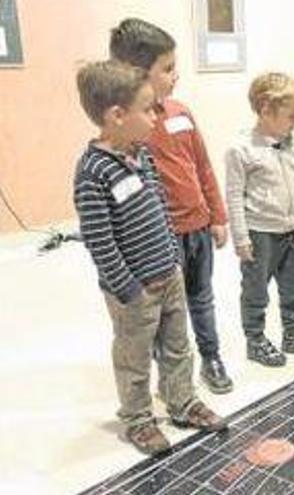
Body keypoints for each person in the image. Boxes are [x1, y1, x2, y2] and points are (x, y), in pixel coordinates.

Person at [73, 60, 226, 455]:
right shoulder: (92, 172)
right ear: (117, 116)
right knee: (134, 357)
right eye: (148, 109)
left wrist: (173, 256)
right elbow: (99, 240)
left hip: (168, 273)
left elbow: (160, 204)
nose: (156, 115)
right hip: (134, 290)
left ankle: (181, 401)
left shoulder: (142, 154)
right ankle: (139, 419)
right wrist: (128, 287)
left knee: (178, 345)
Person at [109, 18, 232, 393]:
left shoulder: (181, 112)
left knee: (202, 296)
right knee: (166, 311)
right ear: (136, 73)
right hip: (160, 239)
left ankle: (211, 356)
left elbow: (203, 165)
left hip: (198, 227)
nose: (175, 76)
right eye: (167, 69)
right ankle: (172, 376)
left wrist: (217, 214)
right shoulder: (127, 128)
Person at [225, 73, 294, 368]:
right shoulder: (241, 148)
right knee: (256, 289)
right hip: (260, 233)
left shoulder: (293, 144)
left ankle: (292, 332)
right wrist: (241, 238)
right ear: (265, 110)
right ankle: (255, 339)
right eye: (291, 116)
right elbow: (234, 196)